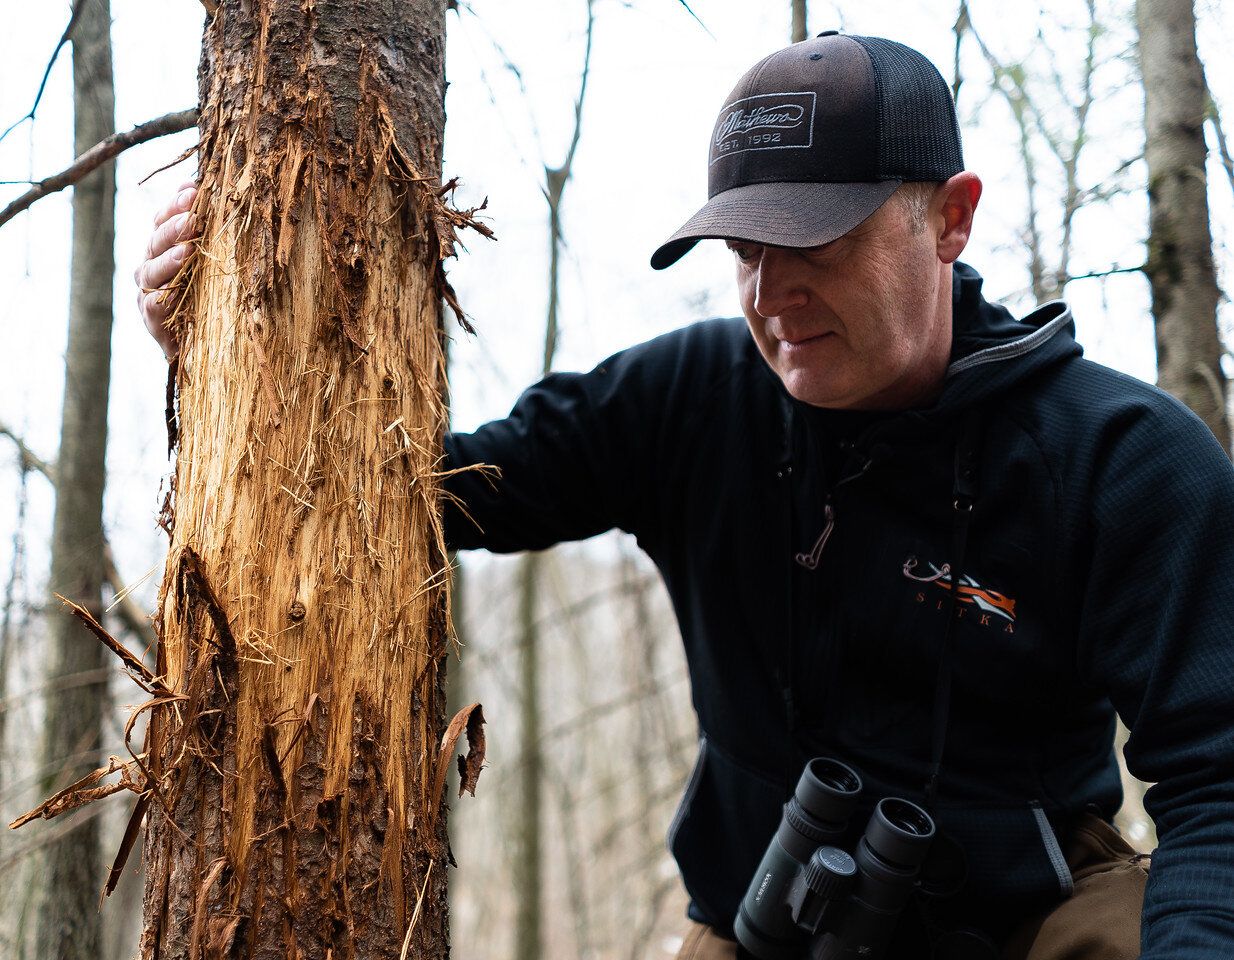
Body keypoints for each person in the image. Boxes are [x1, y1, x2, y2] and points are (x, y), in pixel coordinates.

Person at [136, 31, 1234, 960]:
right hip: (764, 919)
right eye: (745, 249)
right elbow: (409, 496)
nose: (774, 293)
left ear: (950, 218)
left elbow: (1219, 795)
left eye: (819, 240)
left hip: (1029, 922)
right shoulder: (691, 399)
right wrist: (232, 339)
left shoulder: (1119, 459)